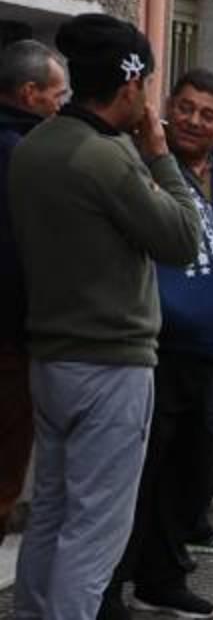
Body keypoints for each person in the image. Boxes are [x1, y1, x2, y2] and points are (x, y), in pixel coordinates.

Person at [9, 13, 201, 620]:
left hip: (51, 357)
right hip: (110, 363)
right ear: (130, 85)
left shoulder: (35, 146)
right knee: (94, 531)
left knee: (51, 511)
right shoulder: (106, 159)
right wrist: (161, 157)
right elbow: (182, 239)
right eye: (147, 85)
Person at [108, 69, 213, 619]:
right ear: (169, 106)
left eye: (208, 114)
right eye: (186, 107)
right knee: (136, 478)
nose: (193, 121)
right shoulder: (143, 167)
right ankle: (109, 588)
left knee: (189, 477)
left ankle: (163, 579)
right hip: (156, 351)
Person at [0, 39, 67, 549]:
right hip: (9, 340)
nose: (62, 107)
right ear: (29, 93)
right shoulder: (24, 155)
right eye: (58, 96)